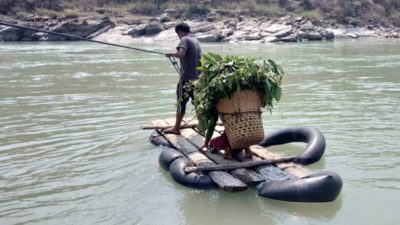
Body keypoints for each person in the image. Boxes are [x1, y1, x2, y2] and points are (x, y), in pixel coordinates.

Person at [164, 22, 202, 135]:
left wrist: (171, 54)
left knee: (181, 102)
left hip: (186, 79)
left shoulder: (184, 39)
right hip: (198, 78)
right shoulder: (196, 41)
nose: (178, 36)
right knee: (198, 103)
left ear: (180, 32)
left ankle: (176, 128)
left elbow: (181, 54)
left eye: (178, 34)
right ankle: (202, 125)